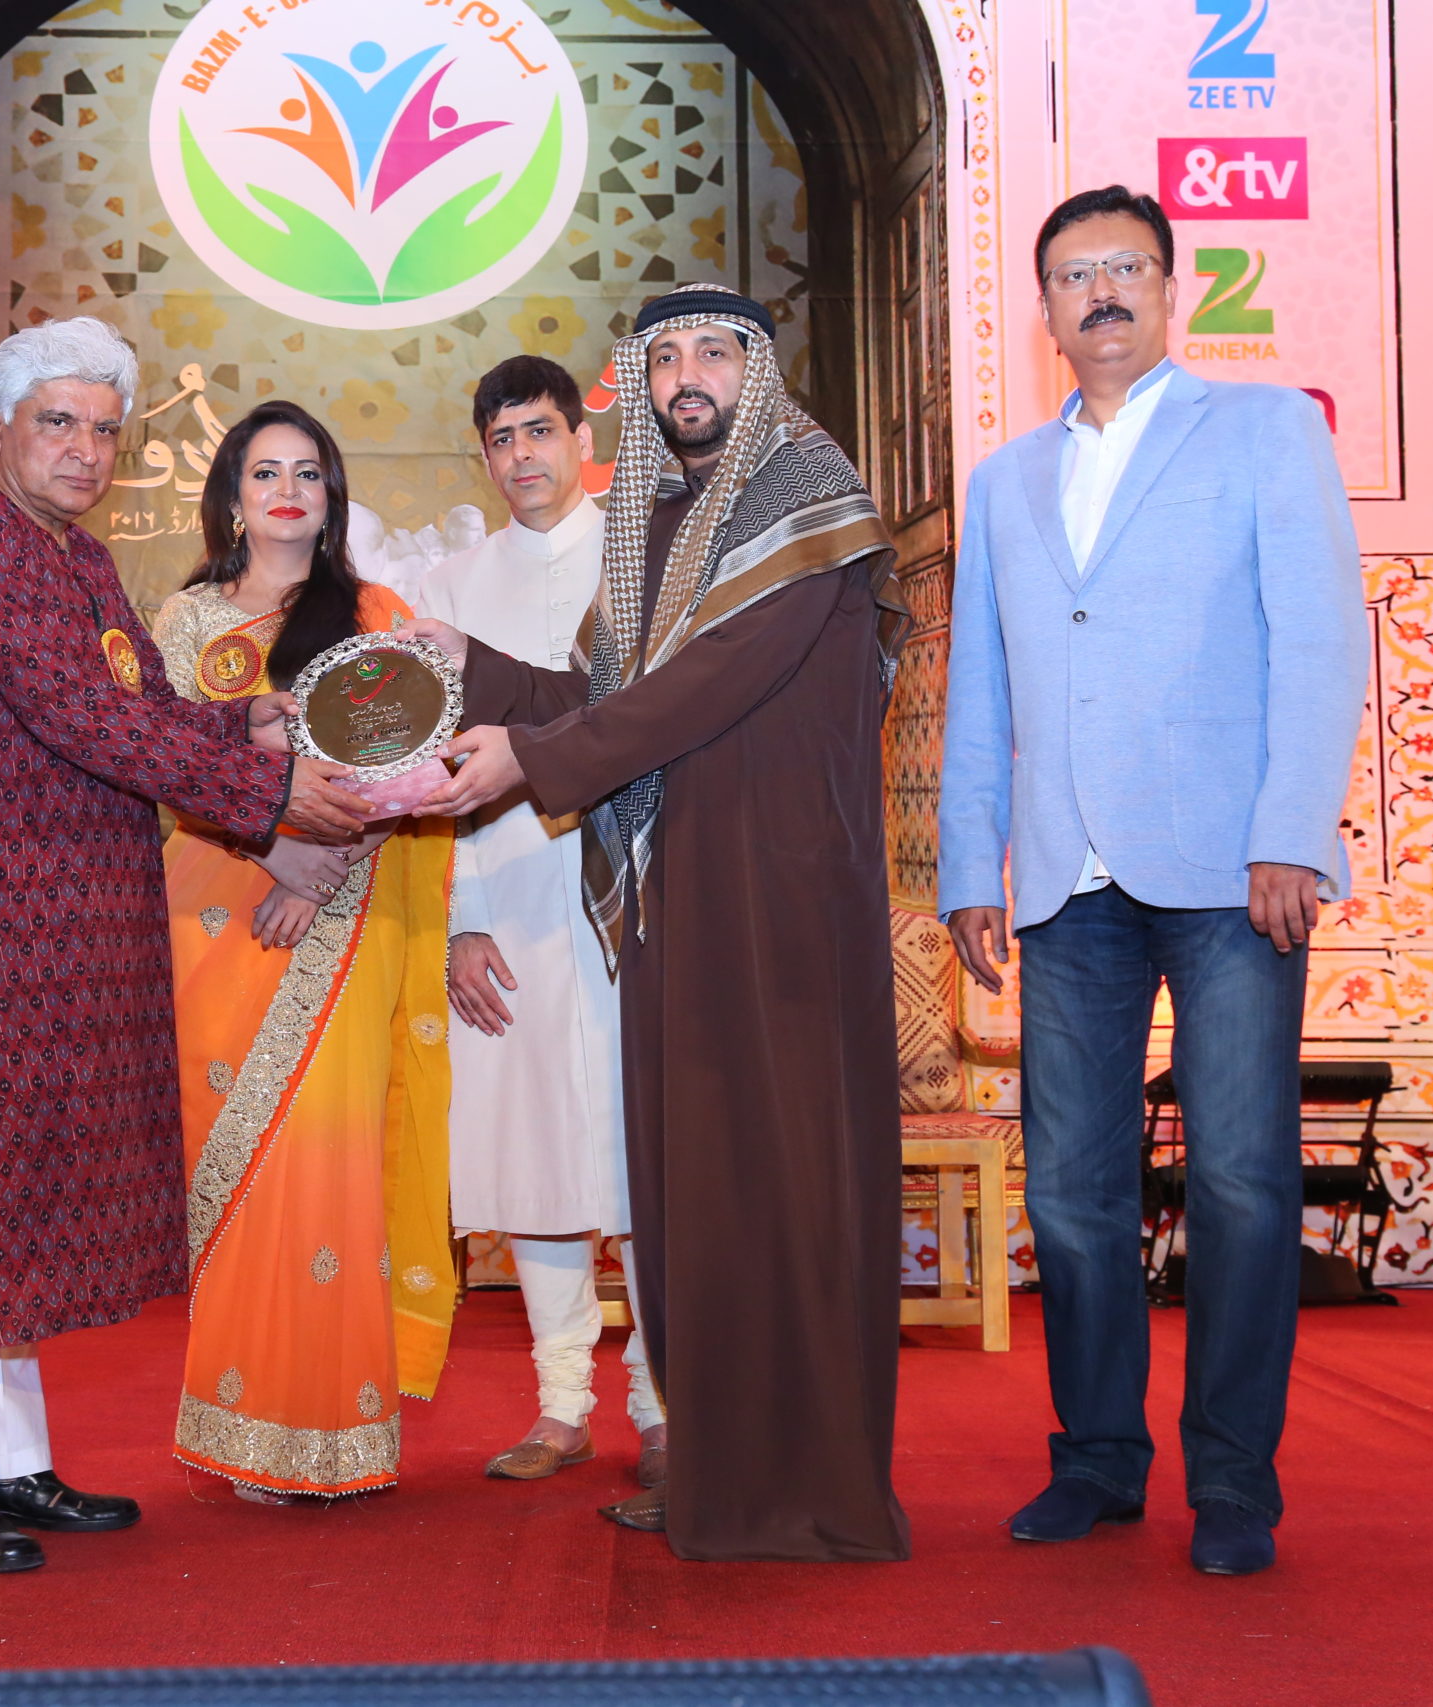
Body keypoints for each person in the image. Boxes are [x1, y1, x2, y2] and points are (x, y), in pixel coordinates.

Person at [0, 322, 375, 1574]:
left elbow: (130, 703)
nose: (83, 448)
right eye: (57, 422)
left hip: (50, 929)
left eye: (103, 427)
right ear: (2, 424)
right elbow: (72, 714)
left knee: (15, 1198)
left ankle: (10, 1463)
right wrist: (264, 799)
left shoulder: (68, 552)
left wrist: (249, 724)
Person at [402, 283, 912, 1562]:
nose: (687, 374)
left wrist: (529, 755)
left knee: (775, 1178)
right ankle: (722, 1473)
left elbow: (704, 687)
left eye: (713, 352)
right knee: (693, 1184)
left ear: (759, 370)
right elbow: (611, 691)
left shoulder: (804, 499)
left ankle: (799, 1487)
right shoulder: (665, 525)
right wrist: (471, 669)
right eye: (664, 354)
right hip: (682, 889)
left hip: (783, 894)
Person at [938, 186, 1366, 1578]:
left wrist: (1292, 826)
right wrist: (969, 864)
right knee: (1071, 1189)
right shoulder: (1005, 478)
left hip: (1235, 865)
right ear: (1047, 307)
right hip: (1067, 871)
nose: (1101, 291)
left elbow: (1314, 635)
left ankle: (1234, 1480)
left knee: (1240, 1178)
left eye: (1126, 266)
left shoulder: (1263, 429)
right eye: (1074, 274)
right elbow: (981, 688)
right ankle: (1099, 1459)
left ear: (1173, 287)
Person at [154, 401, 457, 1504]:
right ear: (230, 492)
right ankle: (242, 1423)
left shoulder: (376, 617)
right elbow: (164, 756)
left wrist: (319, 863)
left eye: (308, 473)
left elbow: (419, 761)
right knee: (229, 1154)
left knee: (323, 1159)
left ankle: (329, 1425)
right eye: (263, 471)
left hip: (345, 909)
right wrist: (269, 847)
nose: (286, 490)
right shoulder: (183, 622)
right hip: (216, 905)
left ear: (332, 497)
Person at [418, 356, 665, 1486]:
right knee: (534, 1154)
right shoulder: (455, 585)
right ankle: (560, 1401)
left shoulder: (646, 559)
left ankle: (662, 1404)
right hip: (503, 902)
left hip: (638, 896)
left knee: (640, 1150)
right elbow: (423, 765)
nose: (521, 456)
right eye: (500, 438)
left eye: (538, 432)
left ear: (580, 439)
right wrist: (456, 919)